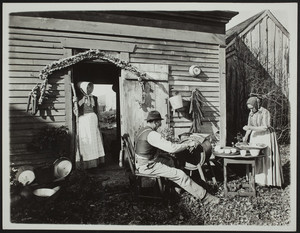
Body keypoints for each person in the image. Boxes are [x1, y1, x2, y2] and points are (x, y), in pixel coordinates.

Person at [134, 110, 220, 205]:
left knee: (171, 160)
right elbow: (171, 148)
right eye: (159, 122)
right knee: (180, 175)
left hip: (143, 162)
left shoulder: (143, 130)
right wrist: (187, 144)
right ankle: (205, 197)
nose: (160, 125)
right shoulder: (152, 134)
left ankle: (176, 189)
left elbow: (148, 149)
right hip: (148, 166)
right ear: (155, 122)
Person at [242, 96, 283, 187]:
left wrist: (250, 128)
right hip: (255, 136)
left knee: (266, 156)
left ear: (256, 105)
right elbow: (250, 126)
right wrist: (246, 136)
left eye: (252, 108)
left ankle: (268, 181)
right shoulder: (251, 113)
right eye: (250, 109)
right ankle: (258, 180)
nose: (251, 110)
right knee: (256, 157)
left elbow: (264, 127)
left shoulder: (265, 112)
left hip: (266, 136)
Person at [76, 81, 105, 169]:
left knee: (94, 139)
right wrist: (80, 101)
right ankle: (87, 163)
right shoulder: (78, 98)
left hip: (93, 119)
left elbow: (97, 110)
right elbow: (76, 108)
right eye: (88, 87)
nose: (90, 89)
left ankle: (96, 162)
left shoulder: (94, 98)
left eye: (91, 87)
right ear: (84, 88)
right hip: (84, 120)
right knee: (86, 139)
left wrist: (99, 121)